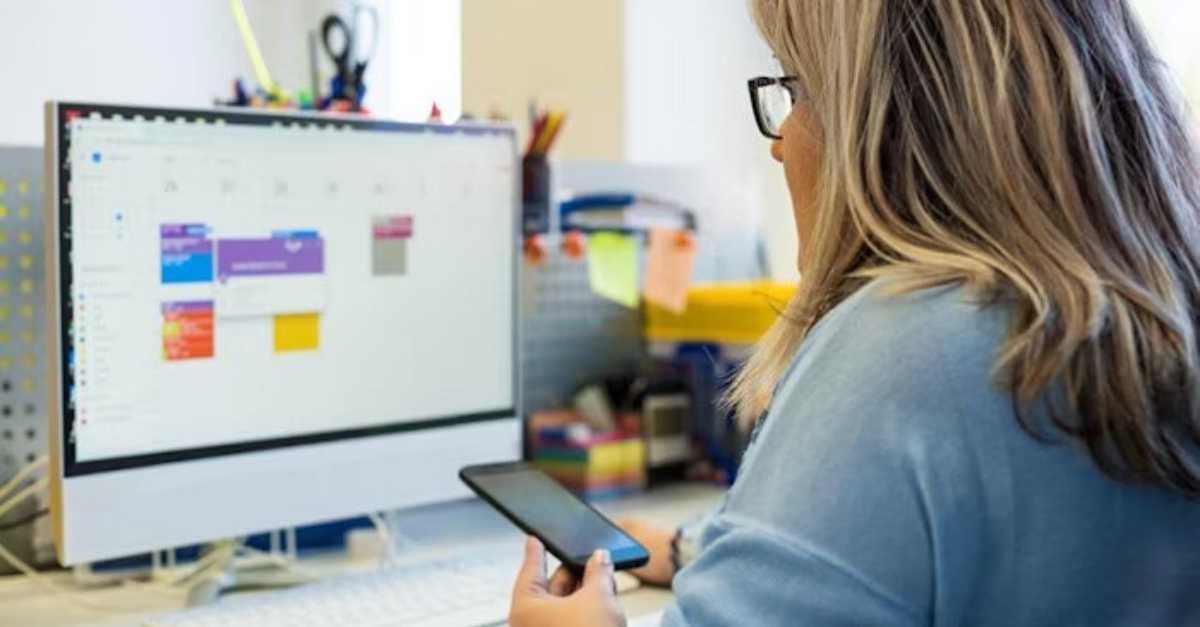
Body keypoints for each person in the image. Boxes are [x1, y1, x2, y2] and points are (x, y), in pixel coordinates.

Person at [509, 0, 1200, 624]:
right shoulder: (1156, 321)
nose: (780, 141)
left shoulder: (910, 341)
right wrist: (703, 548)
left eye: (793, 86)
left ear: (890, 117)